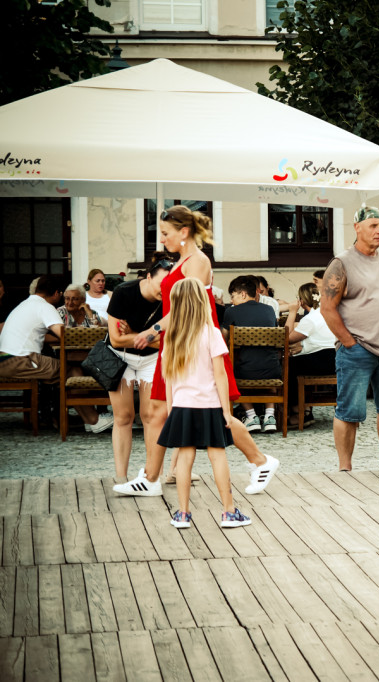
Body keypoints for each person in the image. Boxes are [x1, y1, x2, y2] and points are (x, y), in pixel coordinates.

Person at [114, 205, 279, 498]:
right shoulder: (184, 260)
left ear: (184, 232)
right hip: (179, 342)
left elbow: (187, 308)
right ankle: (152, 477)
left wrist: (152, 331)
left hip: (194, 344)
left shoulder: (197, 261)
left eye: (165, 233)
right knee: (158, 409)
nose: (161, 239)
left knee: (212, 412)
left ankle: (261, 460)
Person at [320, 205, 379, 472]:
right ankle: (345, 468)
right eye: (373, 225)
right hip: (357, 348)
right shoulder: (341, 263)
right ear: (357, 228)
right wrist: (348, 342)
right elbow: (327, 307)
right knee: (349, 411)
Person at [157, 277, 251, 530]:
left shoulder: (171, 336)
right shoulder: (211, 332)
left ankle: (183, 514)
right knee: (217, 457)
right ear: (202, 302)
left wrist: (170, 409)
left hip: (182, 405)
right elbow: (220, 374)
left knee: (184, 459)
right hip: (209, 404)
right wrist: (226, 411)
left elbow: (169, 378)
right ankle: (229, 512)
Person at [0, 275, 113, 433]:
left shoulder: (24, 305)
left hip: (7, 359)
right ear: (56, 293)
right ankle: (93, 419)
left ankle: (89, 419)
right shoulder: (45, 307)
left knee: (69, 370)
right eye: (62, 296)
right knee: (70, 371)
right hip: (20, 360)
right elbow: (64, 334)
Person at [106, 257, 172, 477]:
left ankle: (153, 476)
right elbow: (115, 340)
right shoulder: (123, 292)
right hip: (120, 358)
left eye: (171, 284)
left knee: (152, 416)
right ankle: (121, 476)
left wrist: (132, 335)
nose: (166, 289)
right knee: (123, 416)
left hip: (152, 359)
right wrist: (150, 338)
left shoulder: (172, 299)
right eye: (162, 282)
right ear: (149, 276)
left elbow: (170, 341)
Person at [223, 275, 281, 433]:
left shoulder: (231, 312)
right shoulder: (269, 310)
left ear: (242, 294)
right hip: (273, 370)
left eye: (233, 296)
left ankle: (251, 416)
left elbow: (222, 341)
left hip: (244, 371)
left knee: (229, 369)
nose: (231, 300)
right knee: (266, 360)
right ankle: (270, 417)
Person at [284, 282, 336, 429]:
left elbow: (286, 338)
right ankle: (305, 409)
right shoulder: (330, 312)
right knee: (296, 361)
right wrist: (304, 345)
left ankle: (296, 411)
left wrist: (292, 312)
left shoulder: (311, 318)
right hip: (337, 359)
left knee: (289, 365)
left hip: (322, 361)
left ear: (301, 301)